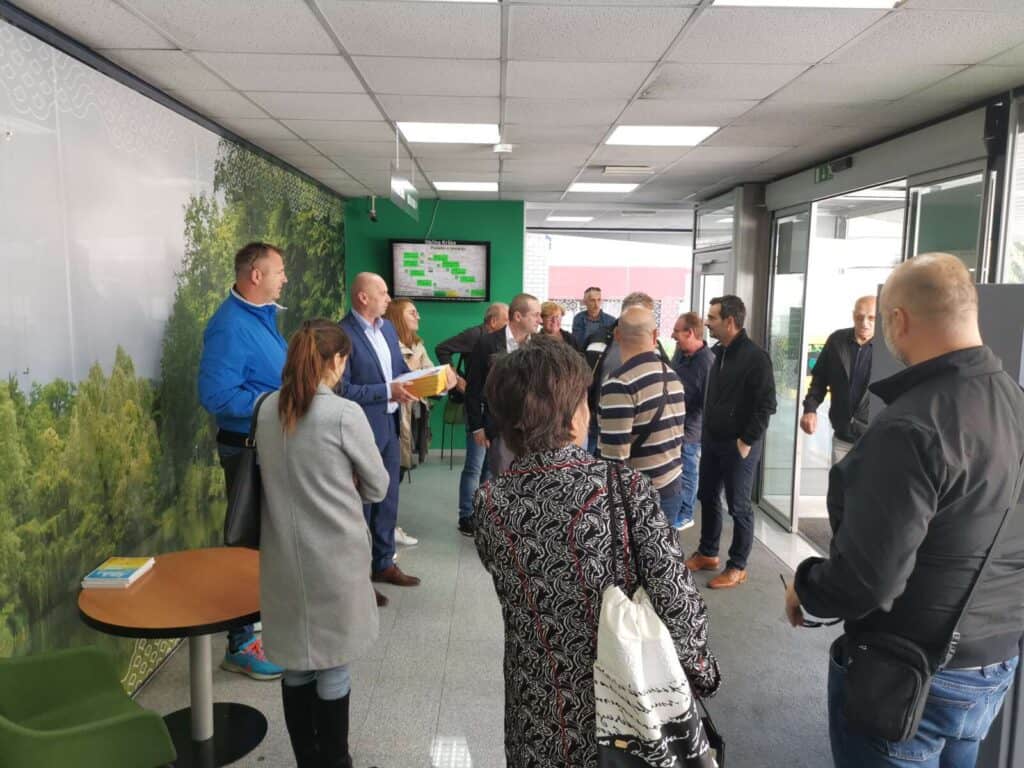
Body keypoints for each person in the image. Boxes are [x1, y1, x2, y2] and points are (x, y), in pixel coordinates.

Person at [785, 253, 1024, 768]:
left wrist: (806, 586)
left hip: (908, 670)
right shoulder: (1016, 403)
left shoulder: (910, 426)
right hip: (994, 659)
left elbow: (869, 582)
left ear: (897, 319)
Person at [473, 337, 721, 767]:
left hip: (535, 708)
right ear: (572, 417)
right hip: (621, 714)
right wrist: (702, 674)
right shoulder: (624, 488)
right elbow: (677, 602)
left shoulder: (490, 502)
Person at [257, 320, 389, 768]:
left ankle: (308, 760)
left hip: (282, 557)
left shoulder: (266, 408)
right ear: (336, 361)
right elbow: (377, 486)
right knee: (333, 663)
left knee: (297, 664)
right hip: (335, 559)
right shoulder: (343, 414)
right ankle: (336, 762)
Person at [198, 241, 286, 681]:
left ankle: (259, 623)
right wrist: (275, 401)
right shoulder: (230, 326)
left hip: (267, 446)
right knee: (245, 542)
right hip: (245, 450)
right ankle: (239, 644)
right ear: (256, 275)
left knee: (265, 543)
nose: (284, 278)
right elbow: (216, 396)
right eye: (279, 271)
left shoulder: (262, 317)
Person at [338, 273, 420, 603]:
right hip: (360, 431)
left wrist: (426, 381)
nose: (388, 299)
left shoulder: (386, 329)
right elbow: (341, 389)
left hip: (389, 425)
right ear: (363, 298)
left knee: (388, 498)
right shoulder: (342, 335)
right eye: (383, 293)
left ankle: (383, 563)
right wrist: (388, 390)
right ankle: (358, 579)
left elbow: (399, 369)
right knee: (362, 505)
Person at [685, 295, 776, 590]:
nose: (707, 322)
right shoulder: (718, 353)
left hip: (739, 445)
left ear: (730, 321)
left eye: (712, 318)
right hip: (712, 441)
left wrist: (746, 441)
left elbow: (767, 405)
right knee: (708, 496)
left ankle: (738, 566)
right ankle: (708, 553)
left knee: (738, 506)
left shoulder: (756, 357)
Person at [598, 306, 687, 532]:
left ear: (617, 335)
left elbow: (614, 459)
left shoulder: (619, 383)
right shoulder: (672, 376)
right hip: (672, 487)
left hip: (639, 498)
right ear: (655, 336)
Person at [434, 303, 508, 536]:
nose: (508, 325)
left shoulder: (500, 341)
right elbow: (442, 348)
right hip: (476, 407)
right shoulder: (474, 335)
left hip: (494, 410)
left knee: (489, 467)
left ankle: (482, 513)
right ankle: (466, 516)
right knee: (474, 466)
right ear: (493, 321)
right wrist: (457, 378)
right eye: (506, 320)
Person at [465, 292, 542, 476]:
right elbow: (473, 388)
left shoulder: (539, 346)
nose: (540, 320)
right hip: (496, 427)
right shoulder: (486, 343)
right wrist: (477, 427)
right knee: (493, 476)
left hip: (531, 429)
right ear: (518, 316)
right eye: (535, 315)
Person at [584, 292, 667, 455]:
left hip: (640, 425)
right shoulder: (598, 339)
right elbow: (583, 378)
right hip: (597, 422)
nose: (648, 321)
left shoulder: (655, 347)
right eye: (644, 315)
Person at [800, 296, 877, 465]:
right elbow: (820, 379)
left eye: (871, 318)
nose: (865, 323)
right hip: (842, 437)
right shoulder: (837, 341)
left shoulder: (887, 348)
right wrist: (810, 409)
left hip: (875, 440)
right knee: (839, 482)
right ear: (853, 316)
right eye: (860, 317)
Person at [383, 298, 433, 544]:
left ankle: (388, 527)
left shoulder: (418, 344)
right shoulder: (388, 344)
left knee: (400, 473)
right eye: (412, 312)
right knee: (389, 477)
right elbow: (402, 378)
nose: (418, 316)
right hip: (393, 416)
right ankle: (384, 530)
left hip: (413, 416)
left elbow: (429, 372)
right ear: (397, 317)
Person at [670, 311, 715, 531]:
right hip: (673, 426)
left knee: (688, 473)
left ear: (690, 333)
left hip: (690, 431)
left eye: (677, 331)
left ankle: (686, 514)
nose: (673, 336)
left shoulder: (707, 363)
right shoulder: (680, 353)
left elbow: (708, 405)